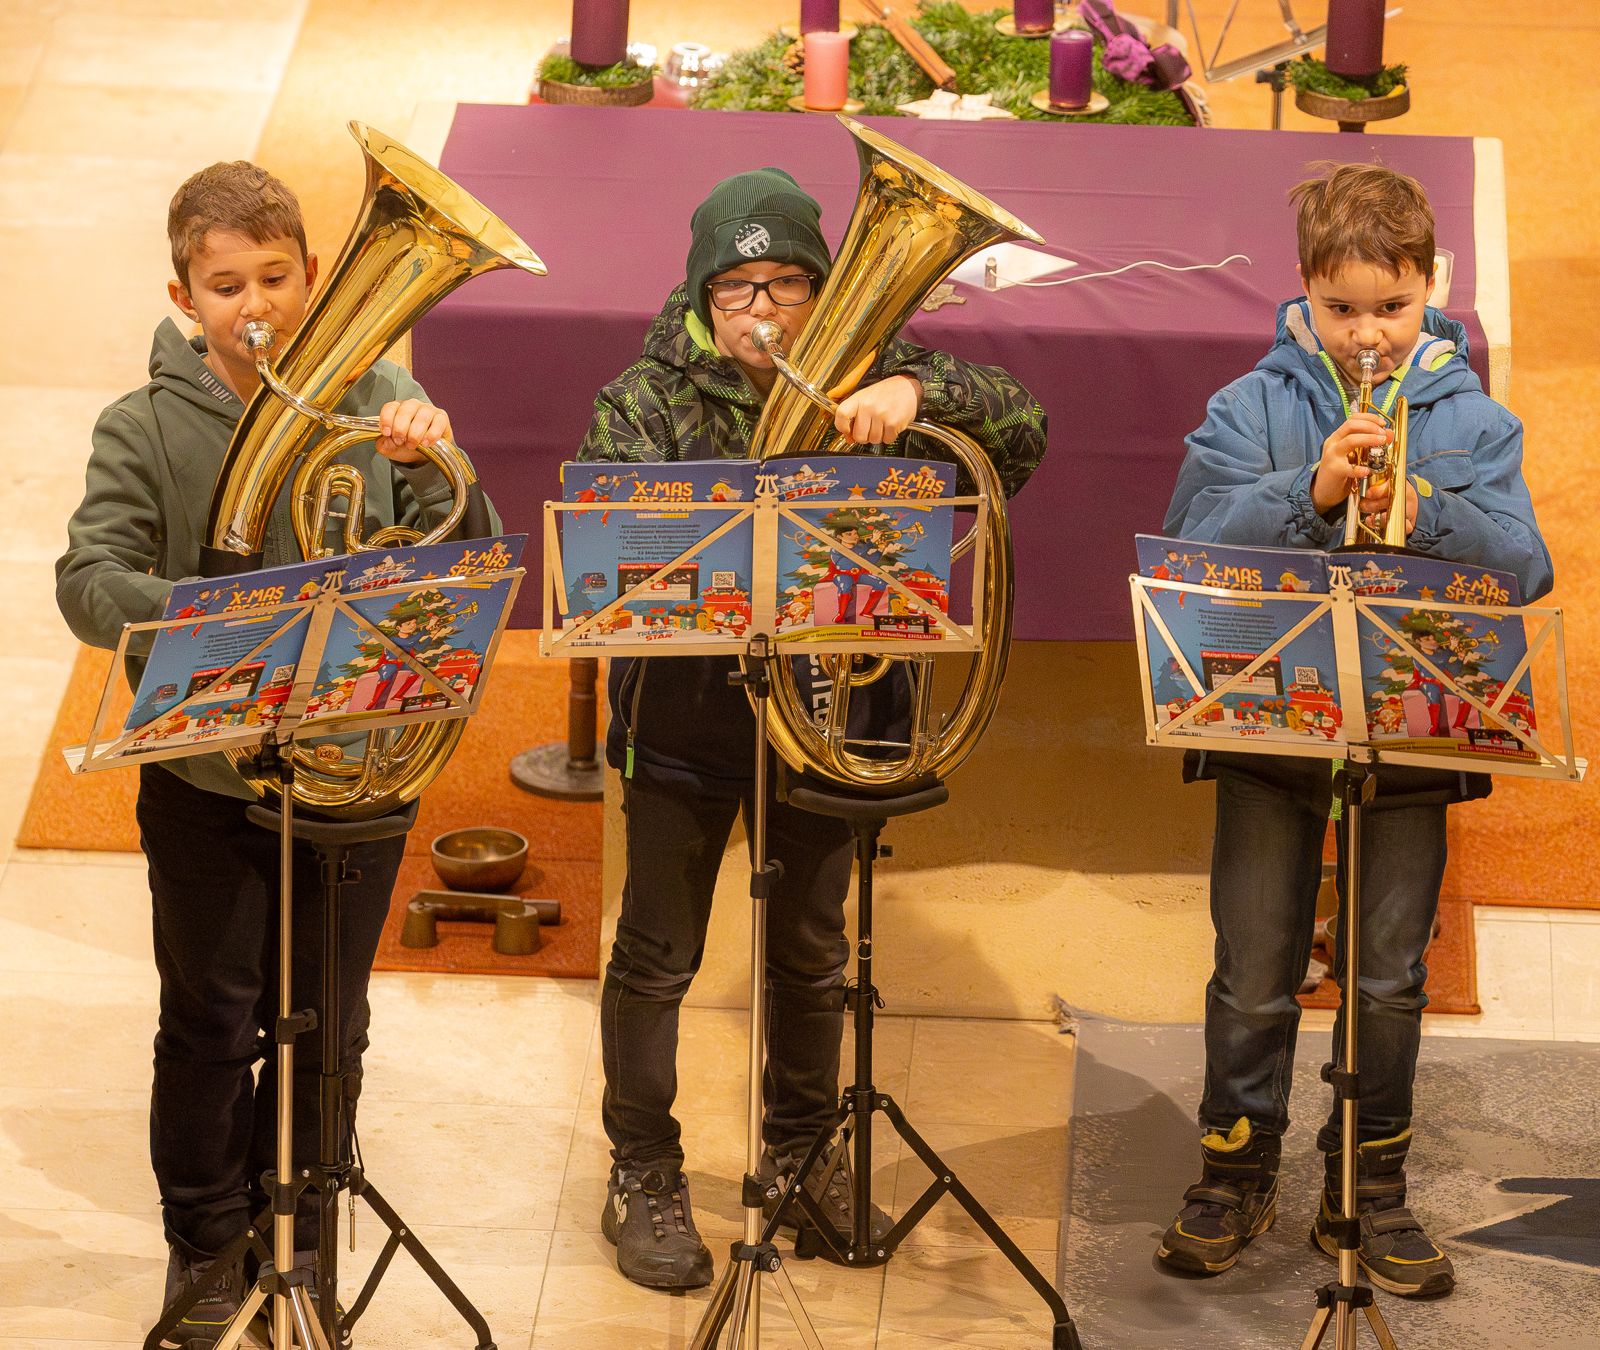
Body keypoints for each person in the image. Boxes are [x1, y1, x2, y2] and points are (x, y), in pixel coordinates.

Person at [579, 166, 1045, 1290]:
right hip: (686, 723)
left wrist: (917, 395)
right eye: (737, 290)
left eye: (788, 285)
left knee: (811, 950)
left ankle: (801, 1152)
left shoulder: (877, 363)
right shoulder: (644, 396)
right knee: (657, 954)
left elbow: (1024, 432)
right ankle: (641, 1169)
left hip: (836, 718)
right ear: (704, 295)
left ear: (820, 290)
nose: (764, 313)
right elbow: (608, 548)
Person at [55, 160, 495, 1346]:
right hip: (207, 785)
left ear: (311, 275)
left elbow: (466, 565)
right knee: (212, 1023)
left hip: (354, 777)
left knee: (330, 1026)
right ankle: (205, 1246)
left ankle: (296, 1235)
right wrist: (209, 619)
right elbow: (87, 580)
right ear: (183, 298)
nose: (256, 306)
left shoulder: (382, 394)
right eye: (225, 286)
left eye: (276, 277)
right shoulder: (143, 424)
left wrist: (436, 472)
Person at [1157, 162, 1551, 1297]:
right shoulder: (1251, 405)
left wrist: (1426, 511)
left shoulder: (1473, 419)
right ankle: (1235, 1168)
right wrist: (1313, 494)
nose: (1366, 334)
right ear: (1302, 291)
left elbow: (1524, 566)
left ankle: (1371, 1180)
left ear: (1430, 290)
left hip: (1410, 731)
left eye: (1392, 307)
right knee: (1253, 969)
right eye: (1341, 309)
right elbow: (1191, 536)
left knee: (1387, 978)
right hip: (1269, 725)